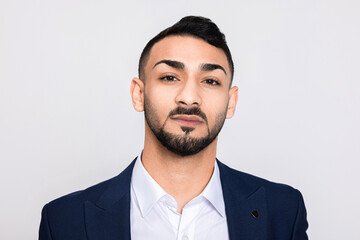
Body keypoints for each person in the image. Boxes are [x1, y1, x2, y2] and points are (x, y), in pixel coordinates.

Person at [39, 16, 308, 240]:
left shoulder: (282, 211)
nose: (189, 97)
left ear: (231, 101)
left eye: (211, 81)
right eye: (169, 77)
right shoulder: (64, 221)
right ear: (138, 94)